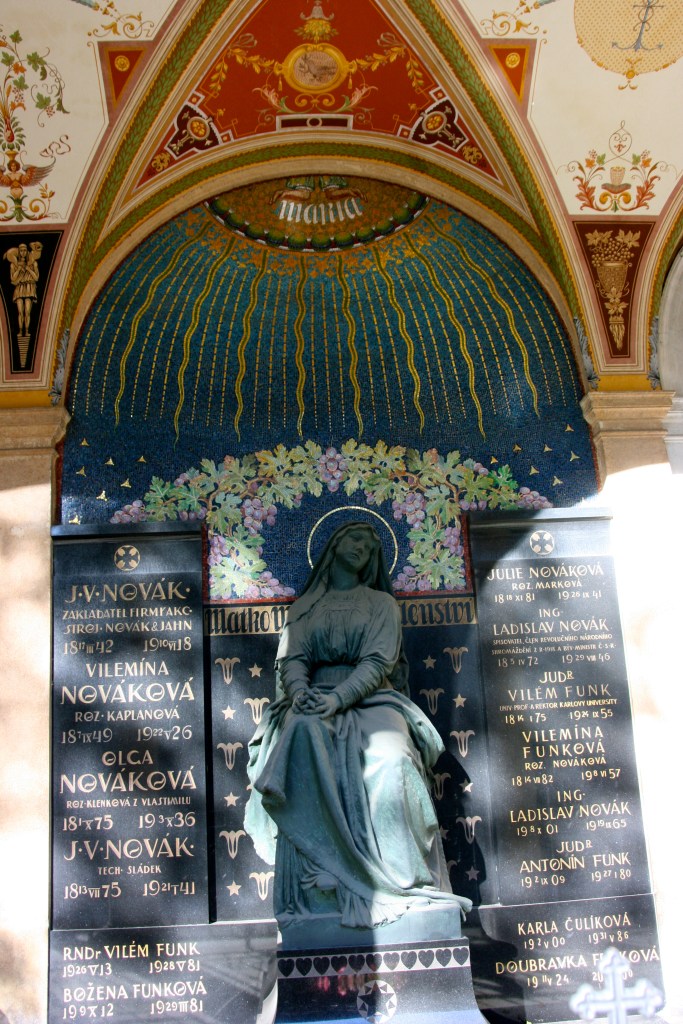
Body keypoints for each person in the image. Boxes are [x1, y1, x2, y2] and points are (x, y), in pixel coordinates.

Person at [245, 520, 472, 930]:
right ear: (333, 546)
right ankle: (324, 866)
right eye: (354, 540)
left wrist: (338, 698)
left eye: (369, 548)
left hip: (370, 698)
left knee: (392, 758)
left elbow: (378, 662)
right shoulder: (305, 607)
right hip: (312, 699)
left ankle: (405, 880)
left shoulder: (381, 604)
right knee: (300, 736)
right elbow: (293, 659)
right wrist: (300, 693)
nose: (361, 549)